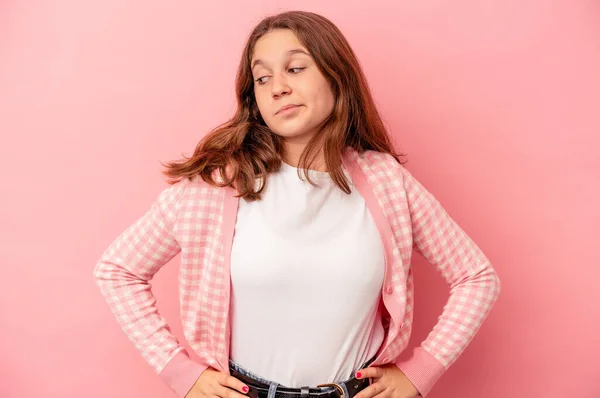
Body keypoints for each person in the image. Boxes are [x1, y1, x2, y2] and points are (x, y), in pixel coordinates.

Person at [93, 10, 501, 398]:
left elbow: (477, 277)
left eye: (295, 68)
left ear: (336, 75)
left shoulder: (386, 182)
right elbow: (118, 270)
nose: (278, 87)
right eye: (262, 78)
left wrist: (420, 372)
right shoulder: (217, 187)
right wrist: (181, 374)